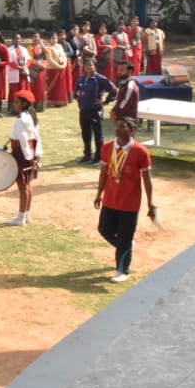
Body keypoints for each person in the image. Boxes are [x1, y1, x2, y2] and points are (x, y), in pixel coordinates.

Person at [94, 116, 157, 283]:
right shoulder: (107, 147)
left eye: (123, 127)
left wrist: (150, 202)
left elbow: (147, 179)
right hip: (110, 199)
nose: (118, 129)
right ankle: (125, 245)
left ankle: (123, 270)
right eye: (118, 126)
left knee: (124, 237)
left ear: (132, 131)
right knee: (104, 229)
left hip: (130, 203)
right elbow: (103, 173)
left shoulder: (140, 151)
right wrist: (99, 193)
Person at [6, 90, 42, 226]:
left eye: (17, 102)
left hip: (22, 154)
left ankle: (21, 218)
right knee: (27, 185)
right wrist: (36, 156)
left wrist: (28, 158)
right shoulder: (32, 117)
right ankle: (26, 214)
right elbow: (36, 138)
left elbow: (23, 140)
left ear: (24, 103)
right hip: (28, 153)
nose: (14, 104)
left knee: (22, 187)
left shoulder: (21, 120)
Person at [74, 56, 118, 164]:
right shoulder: (81, 79)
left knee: (98, 134)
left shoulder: (100, 79)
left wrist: (105, 101)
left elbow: (113, 90)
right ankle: (87, 155)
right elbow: (77, 91)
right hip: (84, 110)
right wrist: (78, 98)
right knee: (85, 133)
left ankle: (99, 156)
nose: (88, 67)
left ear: (95, 66)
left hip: (95, 110)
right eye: (86, 65)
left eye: (90, 65)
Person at [113, 59, 141, 124]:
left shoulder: (130, 86)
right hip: (124, 118)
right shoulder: (124, 83)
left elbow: (124, 102)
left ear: (129, 71)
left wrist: (115, 112)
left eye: (122, 70)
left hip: (128, 121)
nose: (119, 72)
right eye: (118, 70)